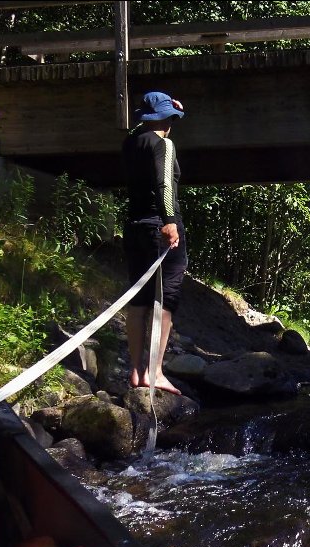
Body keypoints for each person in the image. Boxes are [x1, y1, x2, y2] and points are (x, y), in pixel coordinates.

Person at [121, 91, 187, 395]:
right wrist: (170, 221)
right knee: (164, 300)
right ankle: (155, 372)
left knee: (138, 299)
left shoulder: (132, 142)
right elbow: (164, 184)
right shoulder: (164, 144)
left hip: (134, 228)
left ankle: (136, 370)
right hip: (159, 229)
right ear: (167, 119)